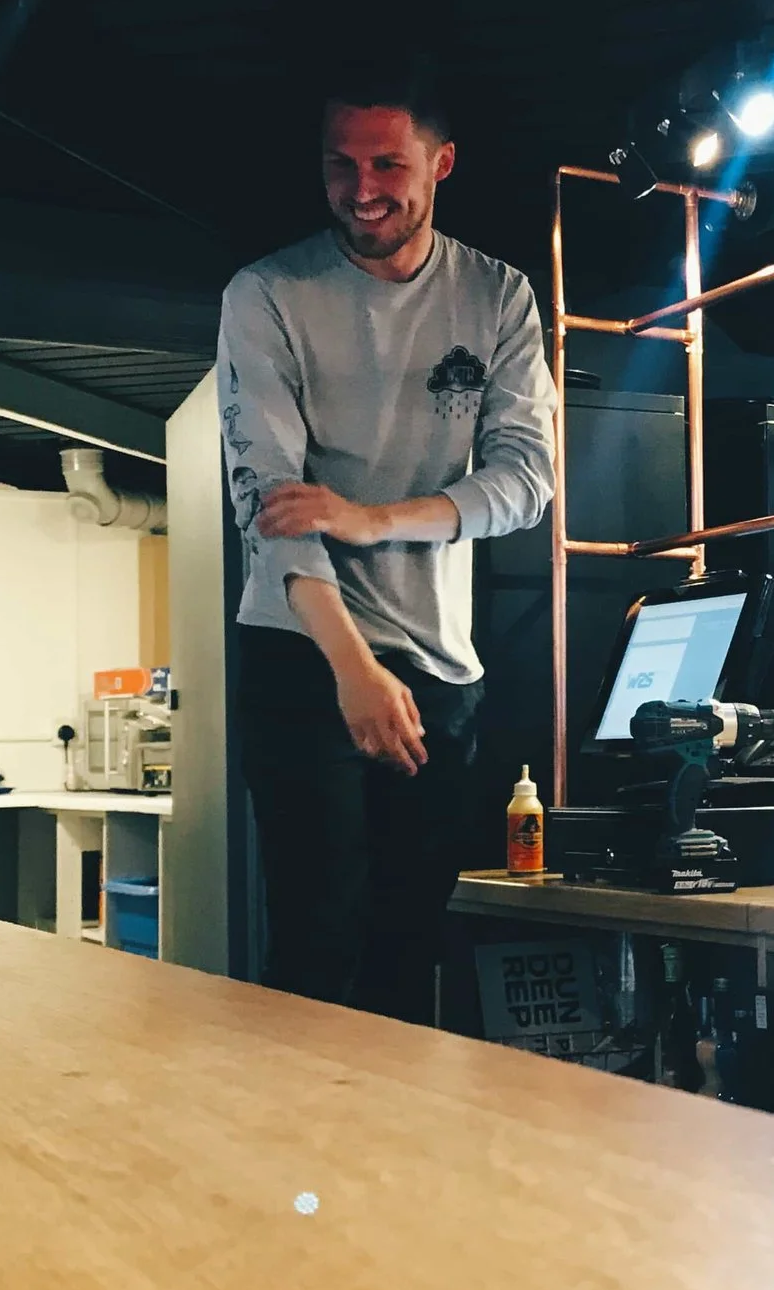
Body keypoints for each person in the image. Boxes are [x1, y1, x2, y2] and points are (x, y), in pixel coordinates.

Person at [217, 62, 554, 1018]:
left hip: (443, 668)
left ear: (441, 163)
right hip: (304, 650)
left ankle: (398, 1169)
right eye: (340, 164)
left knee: (412, 951)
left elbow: (526, 480)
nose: (362, 189)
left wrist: (374, 518)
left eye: (386, 164)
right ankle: (300, 1171)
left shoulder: (498, 297)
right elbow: (272, 503)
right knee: (316, 943)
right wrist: (352, 668)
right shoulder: (267, 293)